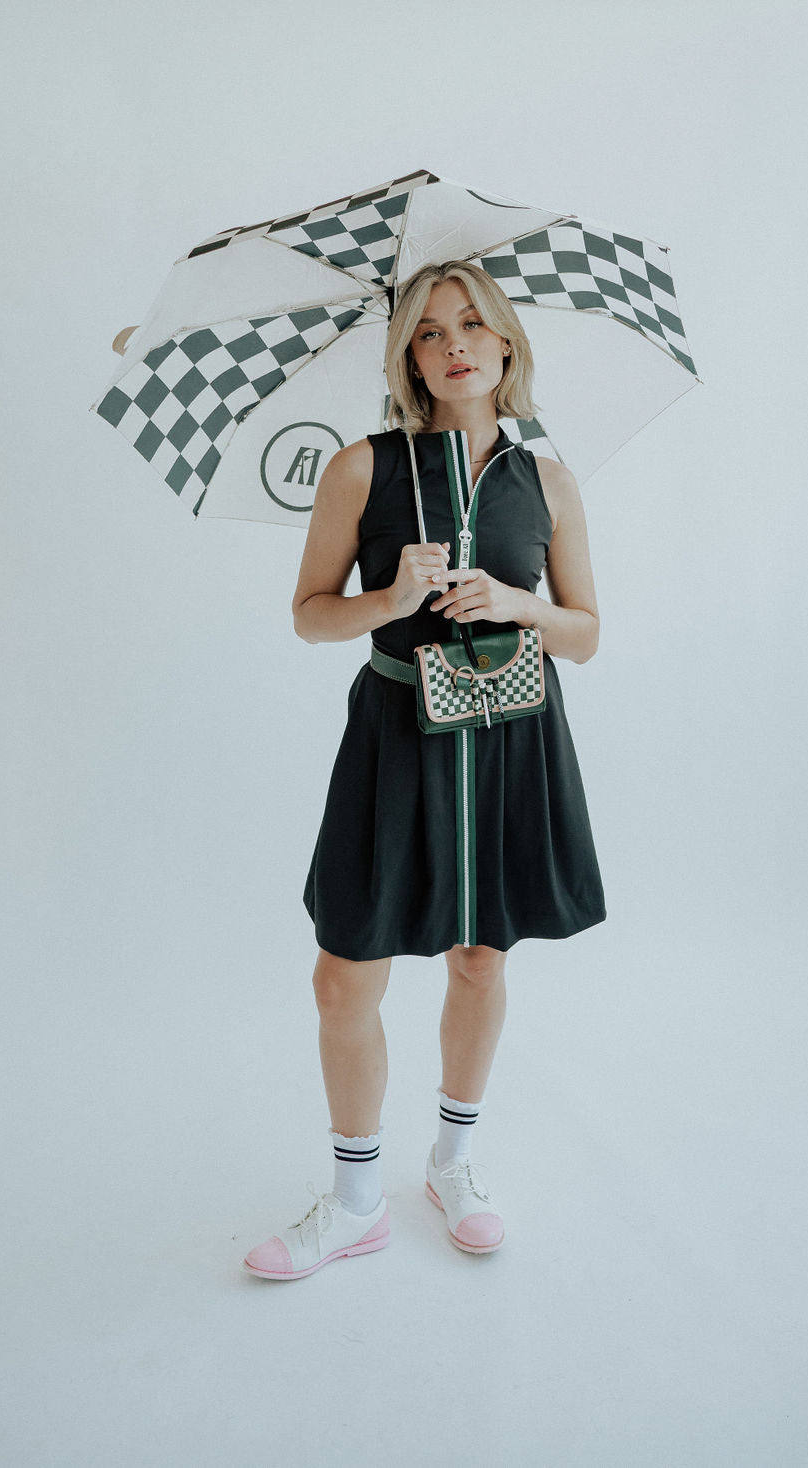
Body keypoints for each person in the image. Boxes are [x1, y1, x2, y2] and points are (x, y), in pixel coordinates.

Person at [243, 260, 605, 1281]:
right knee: (343, 972)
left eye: (472, 326)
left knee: (481, 956)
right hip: (396, 732)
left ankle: (453, 1161)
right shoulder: (362, 467)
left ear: (503, 345)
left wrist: (518, 603)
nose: (453, 345)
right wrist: (388, 592)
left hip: (507, 733)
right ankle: (357, 1198)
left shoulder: (548, 478)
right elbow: (311, 615)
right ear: (407, 354)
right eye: (430, 330)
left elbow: (586, 632)